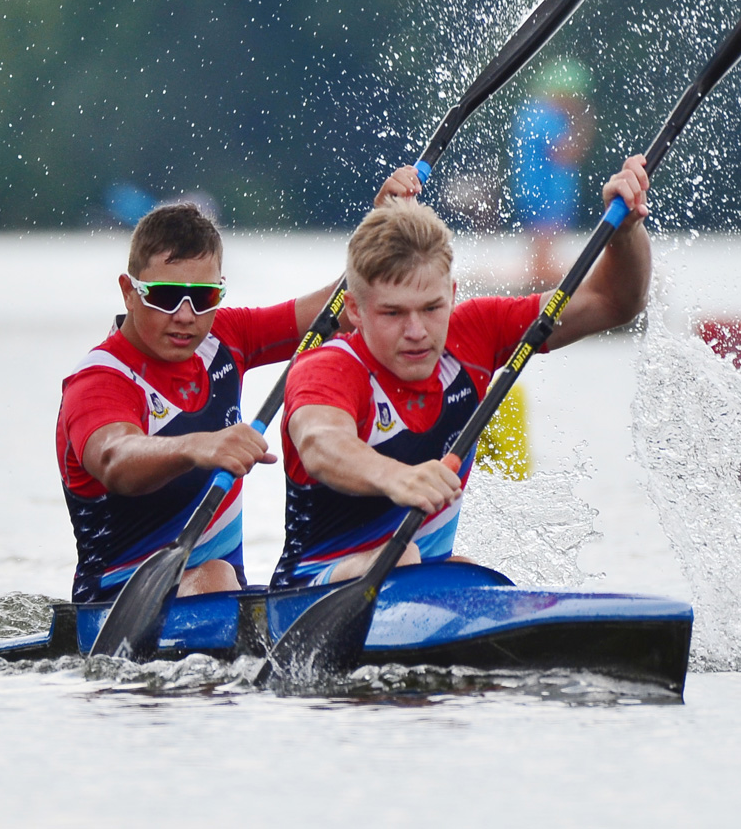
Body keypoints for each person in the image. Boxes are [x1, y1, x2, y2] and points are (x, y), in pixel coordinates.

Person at [273, 155, 651, 587]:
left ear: (451, 294)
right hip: (313, 589)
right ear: (355, 310)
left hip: (423, 580)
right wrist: (397, 477)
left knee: (481, 579)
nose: (417, 331)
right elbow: (322, 444)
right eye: (394, 313)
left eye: (432, 308)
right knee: (406, 559)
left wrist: (626, 234)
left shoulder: (475, 331)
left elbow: (613, 302)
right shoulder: (328, 367)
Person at [56, 172, 419, 603]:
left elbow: (338, 310)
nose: (186, 315)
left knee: (409, 558)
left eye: (204, 297)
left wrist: (384, 235)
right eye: (167, 296)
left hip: (221, 591)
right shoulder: (99, 381)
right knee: (214, 576)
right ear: (128, 292)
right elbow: (115, 459)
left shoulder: (225, 338)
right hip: (117, 602)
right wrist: (197, 447)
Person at [509, 57, 597, 289]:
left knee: (542, 246)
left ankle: (542, 277)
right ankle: (545, 283)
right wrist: (583, 124)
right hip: (545, 192)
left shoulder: (531, 112)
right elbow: (565, 152)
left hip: (537, 190)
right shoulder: (546, 115)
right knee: (542, 248)